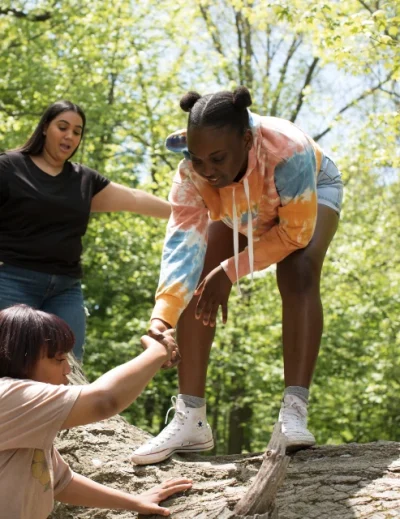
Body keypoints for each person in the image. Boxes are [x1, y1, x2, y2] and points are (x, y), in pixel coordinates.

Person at [132, 86, 343, 465]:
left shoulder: (288, 153)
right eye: (198, 159)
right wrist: (160, 318)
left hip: (308, 188)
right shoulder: (193, 173)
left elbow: (294, 234)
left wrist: (231, 270)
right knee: (198, 277)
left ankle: (293, 412)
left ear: (246, 139)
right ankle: (191, 418)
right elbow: (182, 246)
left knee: (298, 270)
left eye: (217, 158)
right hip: (240, 204)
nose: (207, 169)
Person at [0, 100, 170, 360]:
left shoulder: (84, 180)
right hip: (13, 281)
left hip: (65, 289)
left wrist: (190, 213)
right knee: (10, 363)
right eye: (63, 127)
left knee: (70, 366)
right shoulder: (10, 167)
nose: (70, 135)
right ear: (45, 127)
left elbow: (134, 198)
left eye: (77, 132)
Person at [0, 304, 191, 518]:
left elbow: (60, 482)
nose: (68, 370)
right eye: (58, 359)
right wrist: (157, 352)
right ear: (21, 359)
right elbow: (105, 400)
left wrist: (135, 502)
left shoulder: (26, 423)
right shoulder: (7, 395)